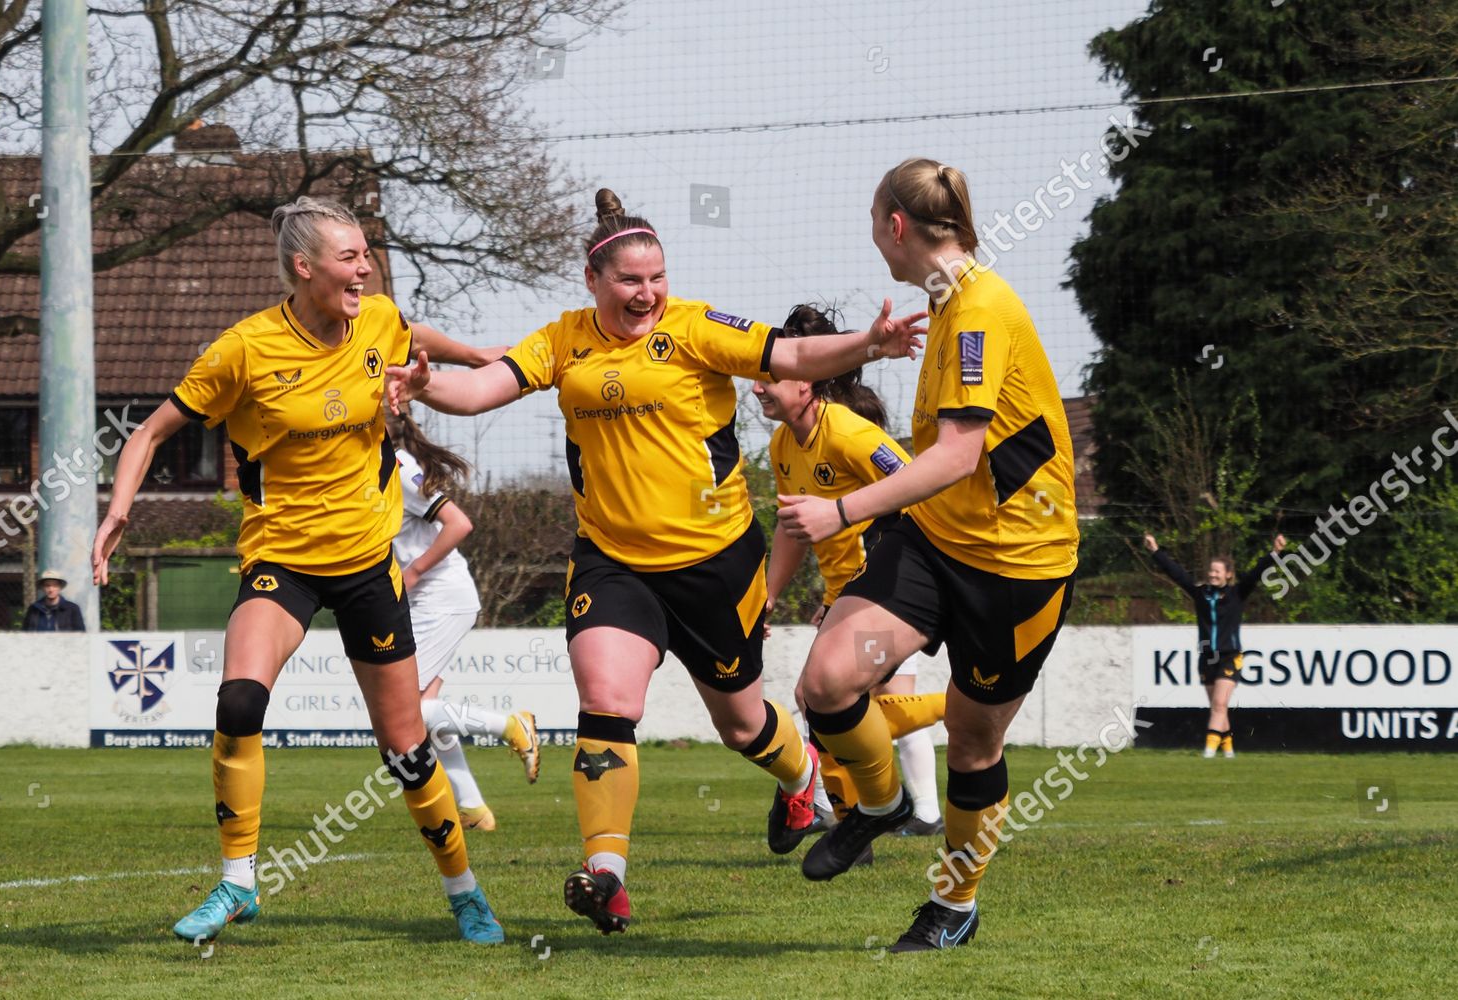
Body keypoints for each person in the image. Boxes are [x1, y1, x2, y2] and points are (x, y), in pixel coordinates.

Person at [385, 187, 924, 935]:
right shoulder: (562, 339)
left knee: (741, 726)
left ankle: (802, 781)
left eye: (656, 277)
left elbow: (791, 353)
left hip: (717, 563)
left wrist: (870, 343)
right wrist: (422, 389)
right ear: (593, 281)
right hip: (612, 562)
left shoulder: (696, 327)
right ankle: (607, 876)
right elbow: (480, 387)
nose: (647, 293)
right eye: (630, 281)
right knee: (607, 705)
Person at [92, 196, 509, 945]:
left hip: (366, 565)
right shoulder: (245, 349)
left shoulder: (377, 319)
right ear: (303, 267)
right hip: (281, 559)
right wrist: (119, 508)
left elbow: (415, 335)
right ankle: (237, 883)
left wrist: (480, 360)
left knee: (407, 752)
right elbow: (151, 432)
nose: (364, 268)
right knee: (239, 702)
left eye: (365, 255)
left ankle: (464, 889)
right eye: (349, 257)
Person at [777, 158, 1079, 952]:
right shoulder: (946, 304)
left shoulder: (977, 308)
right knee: (828, 682)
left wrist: (837, 511)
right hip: (937, 538)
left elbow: (954, 456)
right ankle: (878, 806)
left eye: (873, 224)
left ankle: (954, 905)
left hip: (1017, 566)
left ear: (896, 226)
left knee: (977, 744)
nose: (873, 240)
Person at [754, 304, 945, 839]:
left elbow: (919, 486)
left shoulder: (849, 434)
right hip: (848, 595)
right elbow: (793, 528)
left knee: (825, 702)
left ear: (809, 383)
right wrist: (767, 597)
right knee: (835, 703)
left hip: (887, 594)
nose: (758, 390)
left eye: (771, 379)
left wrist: (894, 580)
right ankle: (876, 811)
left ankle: (845, 811)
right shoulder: (781, 445)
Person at [388, 408, 541, 830]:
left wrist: (414, 571)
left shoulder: (398, 467)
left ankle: (511, 726)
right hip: (431, 600)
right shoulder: (378, 466)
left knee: (407, 713)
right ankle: (474, 809)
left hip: (440, 597)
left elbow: (459, 523)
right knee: (424, 713)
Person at [1143, 532, 1287, 758]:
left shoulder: (1237, 593)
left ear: (1228, 575)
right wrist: (1155, 550)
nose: (1212, 574)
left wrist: (1275, 553)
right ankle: (1228, 752)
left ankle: (1209, 751)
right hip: (1207, 657)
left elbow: (1257, 573)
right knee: (1218, 708)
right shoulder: (1201, 594)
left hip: (1230, 655)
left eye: (1217, 571)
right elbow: (1177, 575)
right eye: (1211, 571)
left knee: (1219, 704)